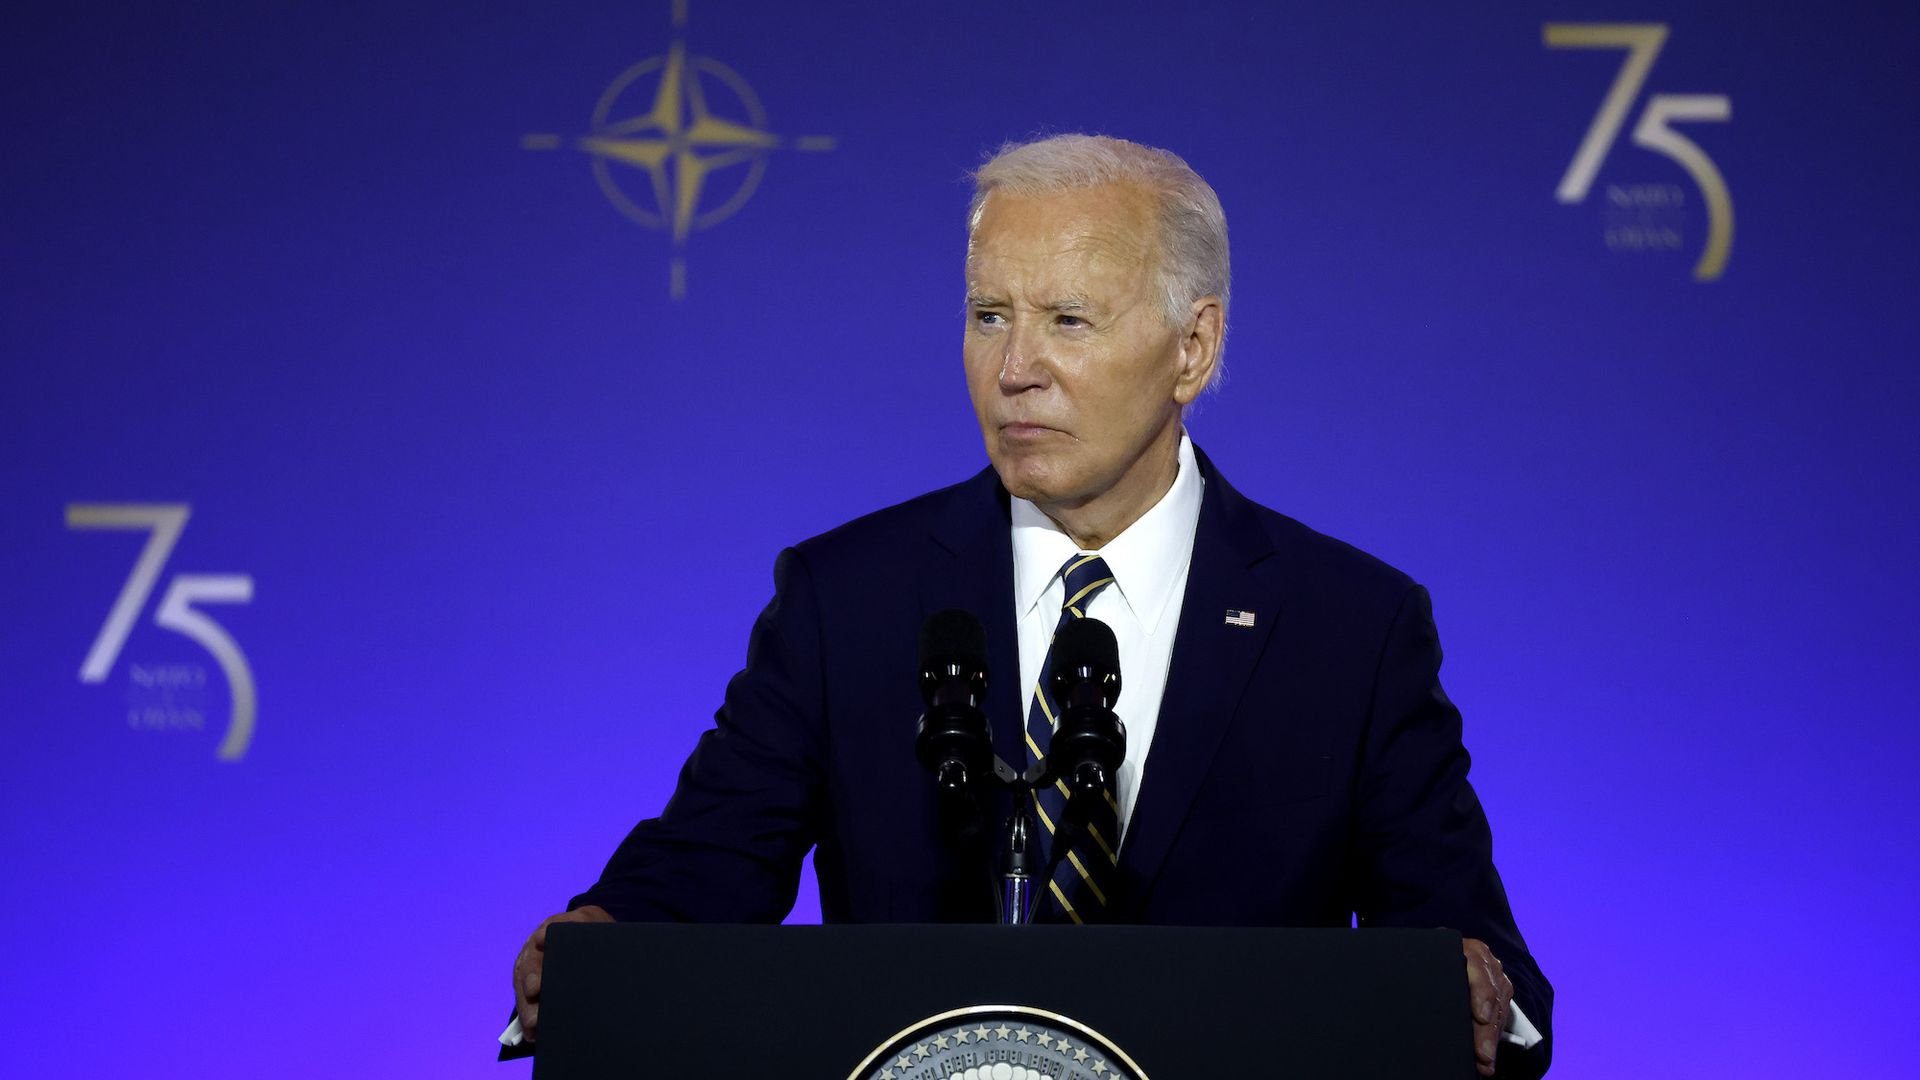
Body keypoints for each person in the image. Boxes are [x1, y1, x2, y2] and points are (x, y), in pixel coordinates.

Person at [509, 134, 1552, 1077]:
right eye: (989, 316)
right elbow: (702, 872)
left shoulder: (1347, 627)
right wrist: (603, 940)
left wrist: (1473, 991)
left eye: (1068, 321)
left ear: (1192, 347)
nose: (1015, 371)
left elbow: (1470, 952)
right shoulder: (849, 601)